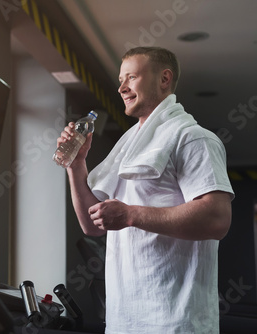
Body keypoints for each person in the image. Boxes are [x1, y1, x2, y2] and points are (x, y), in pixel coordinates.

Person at [57, 47, 234, 334]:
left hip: (174, 321)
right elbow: (93, 225)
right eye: (120, 79)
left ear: (164, 79)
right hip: (125, 318)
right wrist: (76, 166)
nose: (121, 87)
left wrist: (130, 215)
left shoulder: (192, 138)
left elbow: (216, 218)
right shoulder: (128, 147)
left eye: (132, 77)